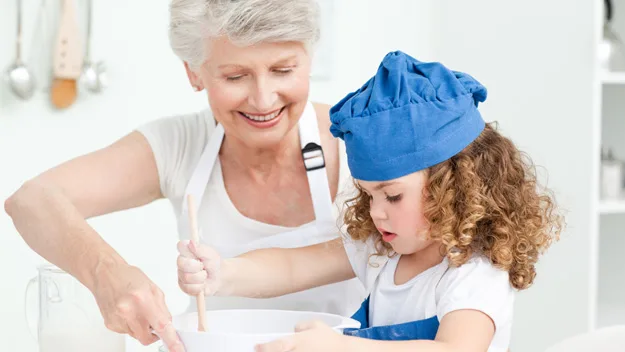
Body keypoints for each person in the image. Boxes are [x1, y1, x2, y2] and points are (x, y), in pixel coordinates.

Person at [3, 1, 365, 351]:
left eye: (283, 70)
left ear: (309, 58)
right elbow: (31, 200)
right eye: (236, 76)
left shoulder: (361, 144)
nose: (263, 99)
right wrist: (106, 274)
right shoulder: (180, 146)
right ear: (194, 72)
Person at [176, 51, 564, 352]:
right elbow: (293, 267)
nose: (377, 212)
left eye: (392, 196)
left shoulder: (473, 273)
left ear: (457, 187)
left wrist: (343, 346)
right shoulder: (382, 250)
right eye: (367, 194)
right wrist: (222, 273)